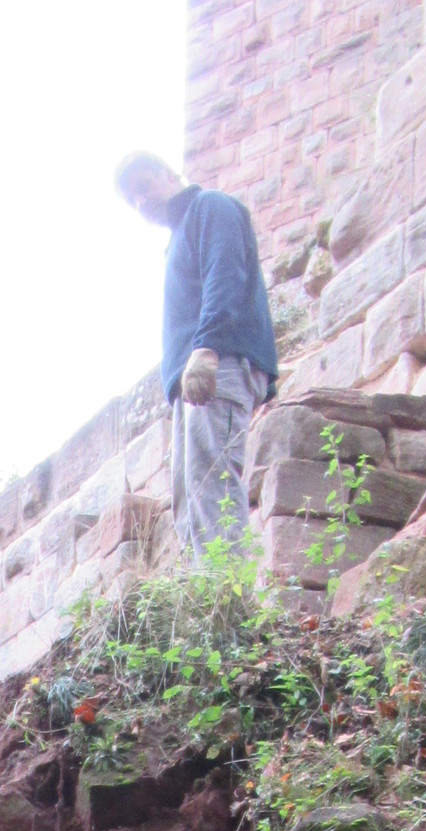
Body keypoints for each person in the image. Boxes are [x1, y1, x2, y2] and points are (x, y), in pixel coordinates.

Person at [115, 151, 278, 554]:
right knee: (191, 500)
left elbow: (225, 273)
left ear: (171, 175)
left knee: (211, 486)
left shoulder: (210, 207)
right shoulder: (180, 237)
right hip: (193, 379)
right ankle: (210, 586)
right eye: (133, 199)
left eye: (144, 186)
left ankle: (227, 587)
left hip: (217, 364)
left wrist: (207, 347)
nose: (141, 202)